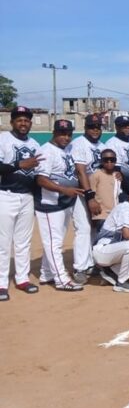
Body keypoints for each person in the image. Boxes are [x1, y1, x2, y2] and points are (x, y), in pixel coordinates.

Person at [34, 119, 84, 291]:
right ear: (54, 133)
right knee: (54, 243)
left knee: (56, 240)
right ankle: (61, 279)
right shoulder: (46, 151)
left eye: (69, 134)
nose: (66, 137)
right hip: (50, 204)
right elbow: (41, 179)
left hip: (63, 203)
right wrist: (64, 189)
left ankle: (46, 273)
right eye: (62, 133)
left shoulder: (67, 149)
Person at [0, 106, 43, 301]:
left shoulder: (34, 144)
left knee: (23, 242)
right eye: (19, 120)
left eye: (26, 120)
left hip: (27, 196)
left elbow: (38, 173)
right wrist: (19, 164)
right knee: (3, 243)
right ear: (12, 122)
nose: (23, 123)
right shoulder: (3, 139)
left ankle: (22, 279)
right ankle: (1, 284)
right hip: (6, 194)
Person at [70, 113, 106, 283]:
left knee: (95, 228)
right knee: (83, 229)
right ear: (85, 128)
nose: (95, 130)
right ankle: (80, 268)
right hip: (83, 193)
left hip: (99, 193)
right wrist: (90, 196)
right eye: (92, 127)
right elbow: (80, 171)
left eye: (98, 127)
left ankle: (91, 263)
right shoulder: (79, 144)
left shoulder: (102, 145)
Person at [105, 116, 129, 197]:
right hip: (124, 189)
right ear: (117, 127)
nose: (128, 128)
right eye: (124, 126)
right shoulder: (112, 144)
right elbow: (116, 170)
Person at [88, 149, 120, 232]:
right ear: (101, 161)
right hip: (101, 215)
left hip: (115, 214)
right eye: (106, 160)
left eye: (112, 160)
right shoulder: (96, 175)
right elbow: (90, 196)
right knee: (103, 240)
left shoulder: (117, 175)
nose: (109, 162)